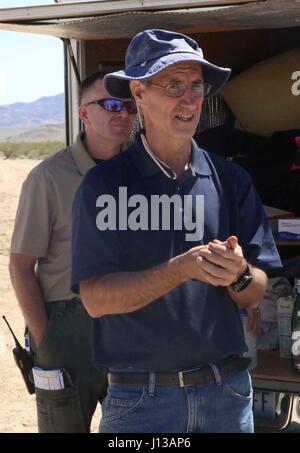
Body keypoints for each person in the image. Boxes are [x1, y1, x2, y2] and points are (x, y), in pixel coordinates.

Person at [71, 30, 282, 433]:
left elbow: (257, 291)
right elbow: (96, 300)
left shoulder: (231, 180)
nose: (189, 99)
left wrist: (237, 273)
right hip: (141, 404)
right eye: (173, 85)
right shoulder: (103, 186)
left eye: (196, 86)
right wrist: (180, 269)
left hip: (228, 395)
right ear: (139, 93)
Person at [9, 71, 136, 433]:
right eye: (110, 104)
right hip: (66, 324)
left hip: (129, 323)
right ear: (84, 114)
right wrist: (46, 337)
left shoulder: (142, 173)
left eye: (128, 105)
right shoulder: (48, 178)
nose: (122, 113)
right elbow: (20, 265)